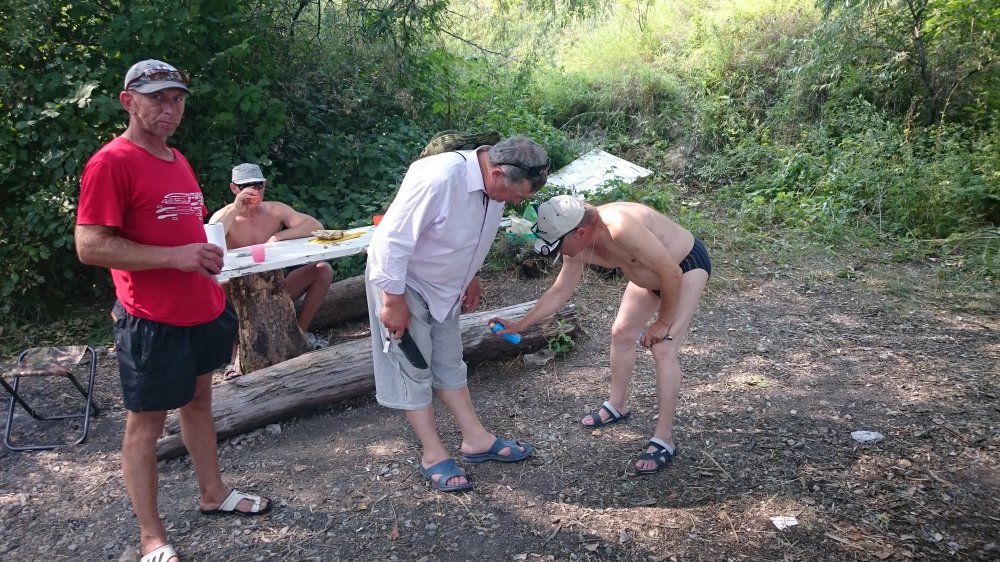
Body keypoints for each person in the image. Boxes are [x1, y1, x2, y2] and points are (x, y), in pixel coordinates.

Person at [75, 59, 271, 562]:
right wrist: (175, 257)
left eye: (177, 98)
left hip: (201, 309)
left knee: (200, 404)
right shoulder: (111, 162)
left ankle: (213, 493)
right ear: (129, 101)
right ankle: (151, 536)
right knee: (145, 426)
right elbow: (90, 246)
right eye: (157, 98)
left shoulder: (176, 158)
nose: (170, 108)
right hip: (151, 318)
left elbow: (182, 228)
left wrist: (204, 255)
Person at [366, 136, 549, 491]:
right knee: (414, 368)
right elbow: (390, 241)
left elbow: (474, 232)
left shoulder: (497, 185)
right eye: (516, 196)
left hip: (447, 287)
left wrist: (472, 275)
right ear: (497, 174)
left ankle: (476, 440)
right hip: (405, 284)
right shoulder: (439, 177)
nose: (516, 203)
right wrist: (392, 302)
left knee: (450, 362)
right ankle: (432, 455)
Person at [492, 195, 711, 474]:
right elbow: (559, 291)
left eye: (559, 244)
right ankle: (618, 404)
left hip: (684, 267)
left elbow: (670, 273)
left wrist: (662, 322)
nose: (560, 252)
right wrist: (519, 324)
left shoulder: (621, 227)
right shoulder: (575, 242)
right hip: (649, 277)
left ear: (581, 232)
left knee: (663, 348)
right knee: (621, 333)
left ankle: (664, 438)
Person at [209, 163, 333, 354]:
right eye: (245, 186)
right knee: (218, 285)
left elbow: (315, 225)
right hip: (238, 293)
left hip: (275, 287)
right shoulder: (225, 216)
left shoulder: (274, 209)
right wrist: (235, 208)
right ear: (234, 188)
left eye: (258, 185)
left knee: (323, 270)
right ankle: (237, 351)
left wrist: (278, 236)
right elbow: (211, 238)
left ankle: (300, 333)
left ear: (264, 185)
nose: (253, 191)